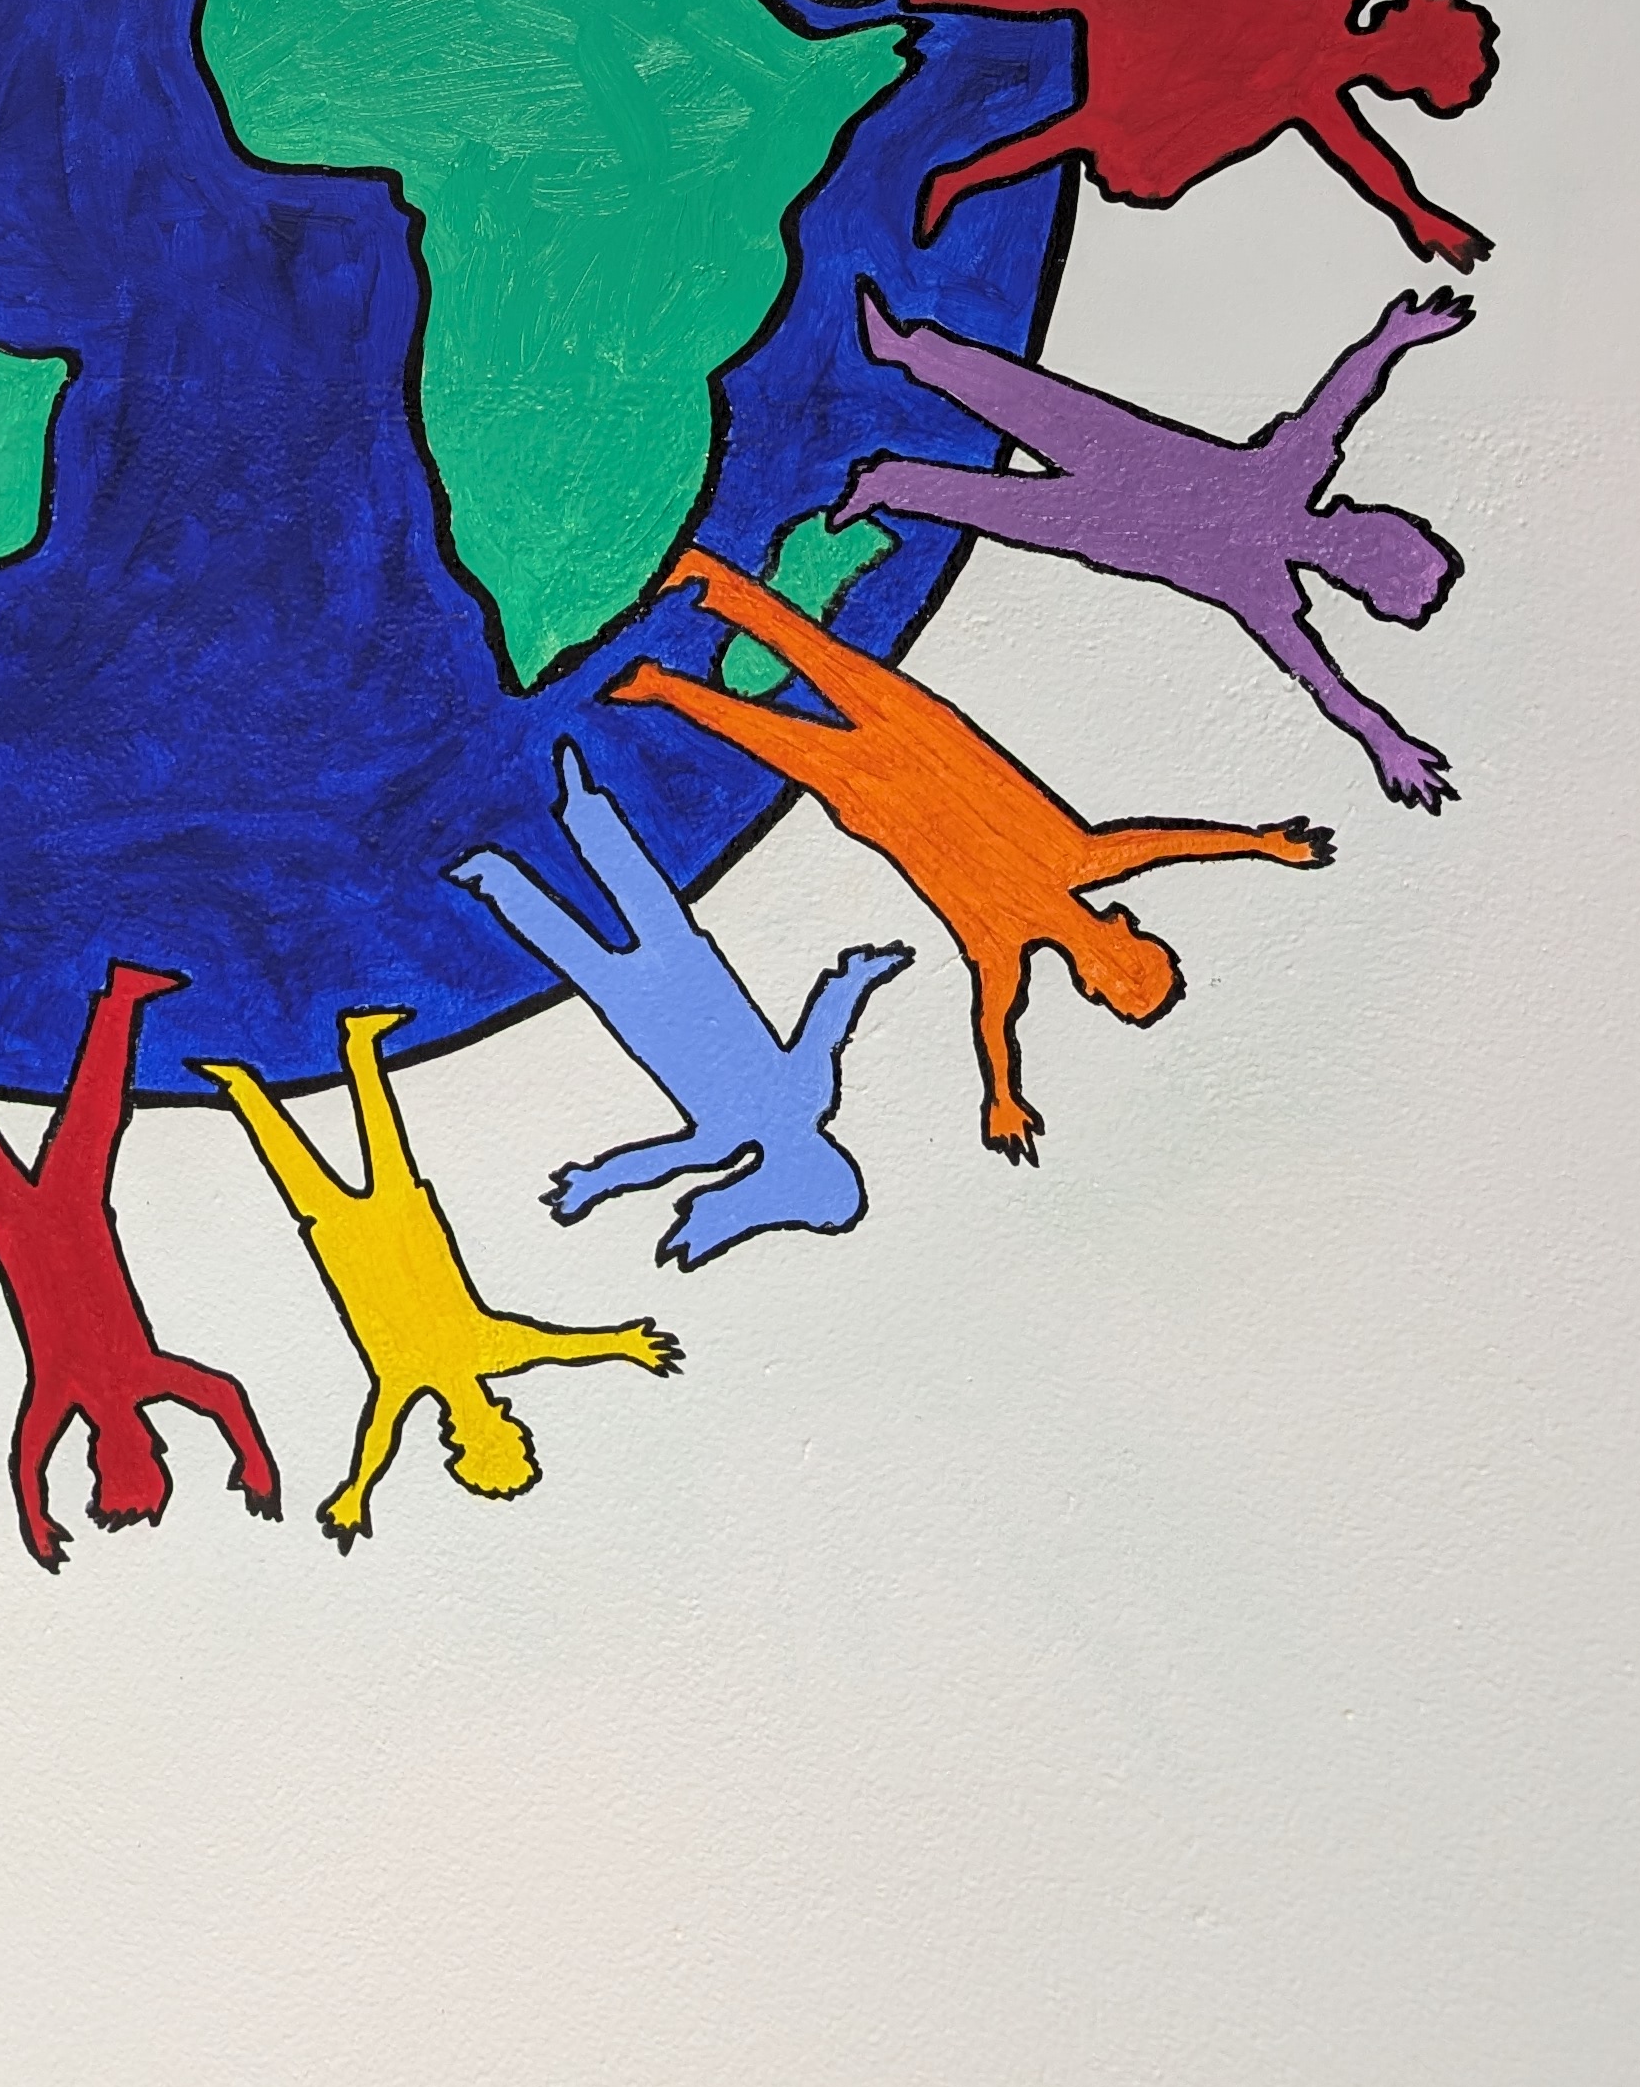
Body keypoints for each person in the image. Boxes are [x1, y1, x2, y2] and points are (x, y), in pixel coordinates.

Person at [608, 553, 1331, 1162]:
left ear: (1088, 990)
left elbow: (995, 1025)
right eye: (1135, 969)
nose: (1115, 975)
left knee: (779, 740)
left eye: (1118, 990)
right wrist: (1263, 843)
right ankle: (718, 587)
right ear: (1127, 928)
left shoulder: (1000, 948)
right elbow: (1172, 844)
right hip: (928, 742)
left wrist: (1003, 1096)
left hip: (879, 801)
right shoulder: (1084, 859)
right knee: (825, 661)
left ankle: (660, 685)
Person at [832, 284, 1472, 809]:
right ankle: (904, 367)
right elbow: (1340, 402)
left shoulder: (1268, 582)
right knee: (1022, 408)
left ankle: (888, 470)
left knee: (1000, 497)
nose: (1361, 524)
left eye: (1377, 539)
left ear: (1356, 565)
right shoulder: (1288, 493)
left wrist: (1382, 739)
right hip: (1120, 456)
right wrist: (1391, 339)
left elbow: (1324, 681)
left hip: (1103, 520)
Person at [901, 0, 1525, 264]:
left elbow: (1371, 165)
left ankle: (956, 172)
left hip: (1194, 99)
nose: (1408, 9)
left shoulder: (1321, 87)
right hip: (1197, 23)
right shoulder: (1330, 25)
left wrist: (1417, 213)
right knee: (1087, 9)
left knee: (1086, 99)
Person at [194, 1005, 678, 1545]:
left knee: (322, 1161)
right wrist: (624, 1343)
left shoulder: (423, 1374)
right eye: (502, 1435)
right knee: (371, 1149)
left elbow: (380, 1440)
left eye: (484, 1440)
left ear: (464, 1441)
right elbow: (566, 1347)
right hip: (399, 1234)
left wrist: (357, 1491)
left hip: (354, 1250)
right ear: (506, 1423)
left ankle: (254, 1083)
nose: (489, 1425)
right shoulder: (486, 1351)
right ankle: (346, 1051)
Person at [0, 964, 280, 1570]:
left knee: (74, 1124)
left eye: (138, 1458)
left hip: (47, 1226)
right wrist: (252, 1460)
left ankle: (118, 999)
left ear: (123, 1451)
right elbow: (221, 1397)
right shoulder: (114, 1382)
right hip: (48, 1226)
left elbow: (220, 1399)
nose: (148, 1444)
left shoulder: (98, 1385)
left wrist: (252, 1459)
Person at [450, 745, 914, 1264]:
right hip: (665, 995)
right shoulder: (780, 1112)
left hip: (668, 993)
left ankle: (546, 834)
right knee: (601, 930)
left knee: (627, 910)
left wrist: (858, 976)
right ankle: (519, 856)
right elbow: (826, 1028)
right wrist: (858, 977)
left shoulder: (774, 1115)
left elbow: (655, 1163)